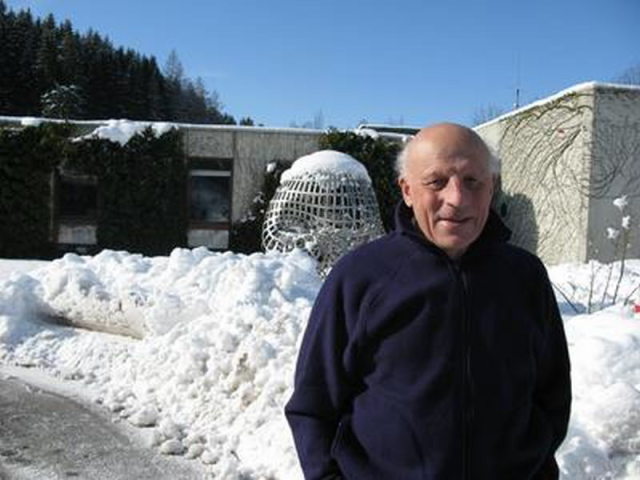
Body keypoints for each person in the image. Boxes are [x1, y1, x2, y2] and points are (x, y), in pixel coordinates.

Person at [284, 123, 571, 480]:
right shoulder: (360, 277)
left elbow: (552, 395)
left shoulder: (525, 277)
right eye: (436, 182)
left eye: (472, 181)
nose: (457, 198)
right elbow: (314, 405)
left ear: (492, 187)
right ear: (407, 190)